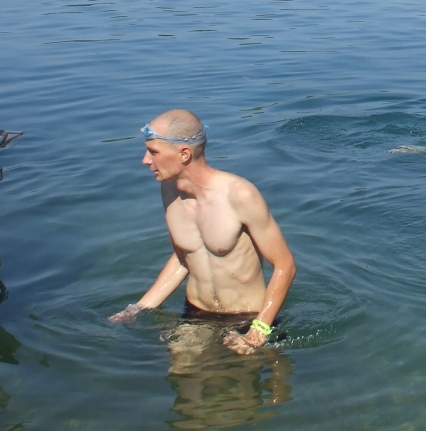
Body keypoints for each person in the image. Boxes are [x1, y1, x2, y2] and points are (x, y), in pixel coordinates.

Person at [109, 109, 297, 355]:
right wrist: (139, 308)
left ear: (184, 153)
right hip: (196, 313)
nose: (145, 160)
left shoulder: (239, 195)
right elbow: (184, 257)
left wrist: (259, 330)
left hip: (248, 316)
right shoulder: (169, 191)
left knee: (242, 379)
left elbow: (285, 265)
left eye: (153, 152)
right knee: (181, 372)